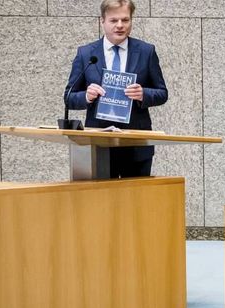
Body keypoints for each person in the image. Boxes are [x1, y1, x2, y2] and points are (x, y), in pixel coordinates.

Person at [64, 0, 168, 177]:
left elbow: (162, 93)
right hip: (99, 144)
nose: (120, 26)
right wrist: (87, 97)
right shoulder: (86, 54)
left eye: (125, 20)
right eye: (113, 20)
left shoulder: (146, 51)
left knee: (135, 202)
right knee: (102, 202)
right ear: (102, 21)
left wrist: (144, 94)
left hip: (136, 144)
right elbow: (69, 97)